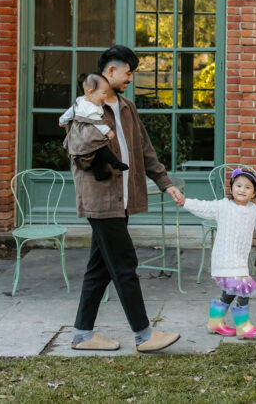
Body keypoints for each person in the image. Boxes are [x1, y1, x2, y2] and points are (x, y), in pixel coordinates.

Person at [67, 44, 185, 353]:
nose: (130, 78)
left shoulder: (127, 108)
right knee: (124, 264)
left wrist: (165, 183)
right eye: (128, 72)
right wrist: (100, 130)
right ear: (110, 72)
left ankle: (82, 334)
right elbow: (75, 146)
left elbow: (144, 150)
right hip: (101, 198)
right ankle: (144, 335)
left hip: (122, 199)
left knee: (100, 267)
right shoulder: (87, 106)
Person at [180, 166, 256, 339]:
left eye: (248, 187)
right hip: (225, 256)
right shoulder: (223, 206)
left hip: (239, 258)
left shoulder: (253, 209)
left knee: (231, 291)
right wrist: (185, 202)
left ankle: (215, 322)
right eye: (238, 185)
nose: (242, 190)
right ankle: (243, 327)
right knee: (244, 287)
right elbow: (203, 207)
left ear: (254, 193)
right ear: (231, 188)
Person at [60, 73, 129, 181]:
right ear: (91, 92)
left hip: (77, 137)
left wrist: (62, 120)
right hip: (87, 135)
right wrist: (108, 132)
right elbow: (97, 122)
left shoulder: (80, 101)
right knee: (101, 147)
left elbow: (70, 112)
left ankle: (99, 174)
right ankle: (115, 162)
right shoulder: (91, 108)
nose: (105, 96)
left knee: (95, 155)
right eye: (103, 93)